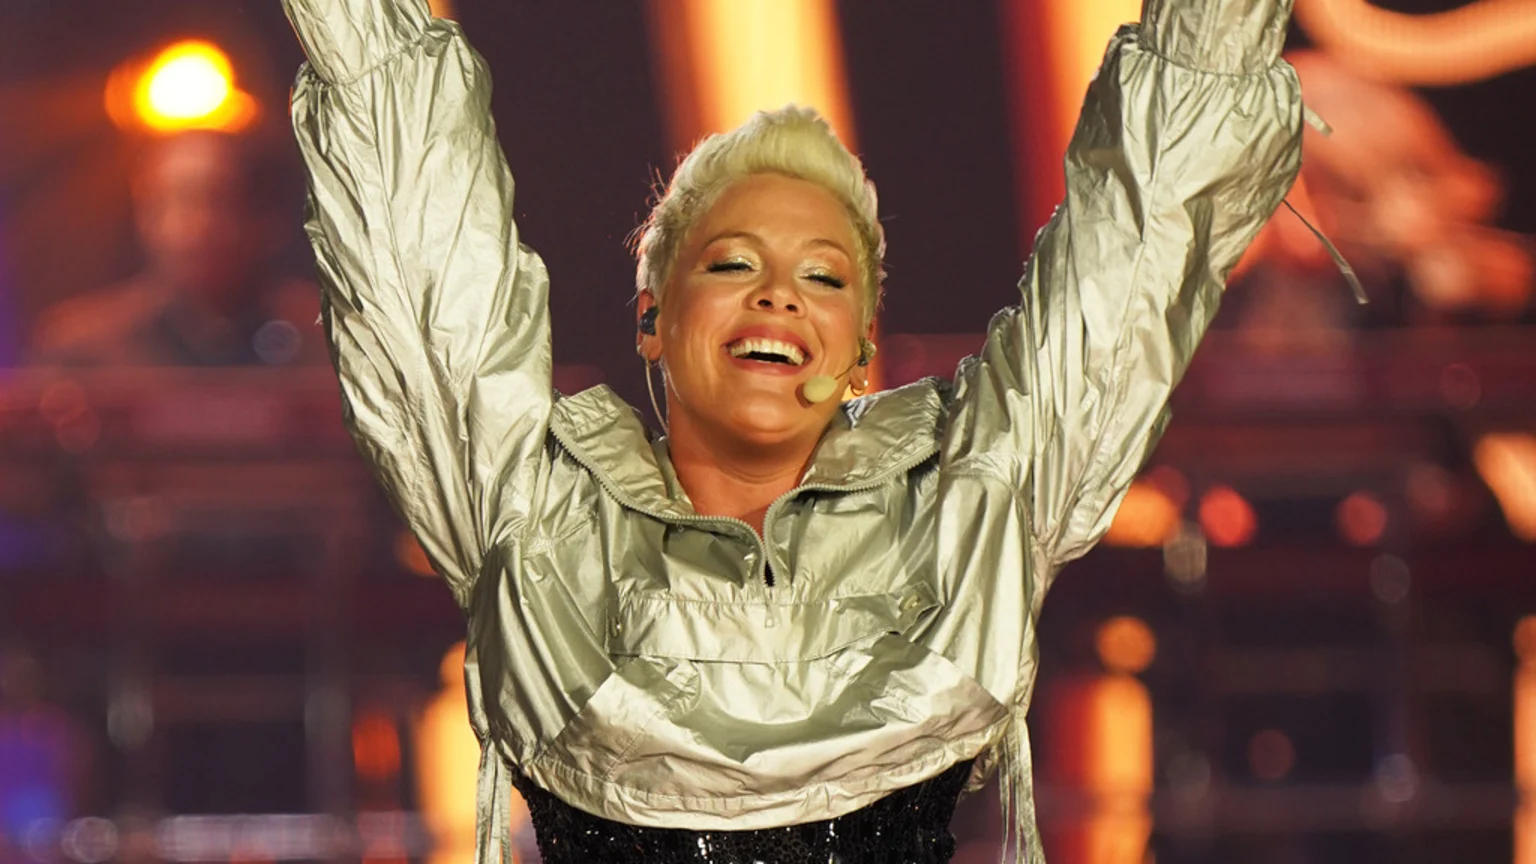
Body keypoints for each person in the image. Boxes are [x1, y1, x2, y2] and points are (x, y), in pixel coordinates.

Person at [282, 0, 1302, 860]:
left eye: (821, 277)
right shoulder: (530, 511)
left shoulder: (971, 501)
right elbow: (420, 247)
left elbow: (1134, 244)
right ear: (652, 316)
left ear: (859, 349)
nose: (777, 297)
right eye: (731, 264)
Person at [30, 130, 323, 368]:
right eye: (179, 201)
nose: (199, 225)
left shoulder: (327, 340)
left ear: (263, 220)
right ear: (145, 216)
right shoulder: (85, 351)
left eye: (218, 199)